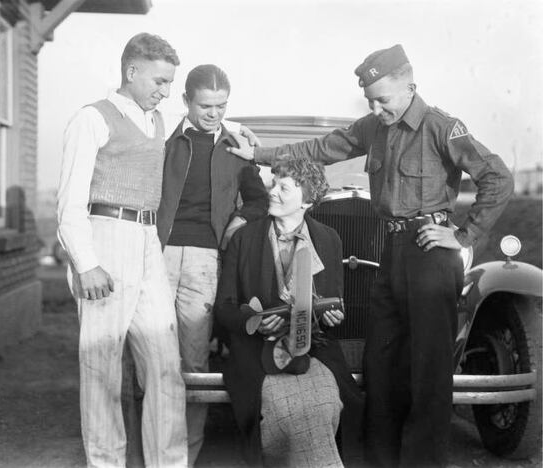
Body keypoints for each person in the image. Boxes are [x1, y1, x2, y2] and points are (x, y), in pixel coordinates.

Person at [228, 44, 514, 467]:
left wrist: (464, 235)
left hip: (431, 252)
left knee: (428, 371)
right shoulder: (372, 127)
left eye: (382, 99)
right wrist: (262, 156)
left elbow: (498, 177)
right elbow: (322, 149)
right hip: (391, 251)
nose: (376, 108)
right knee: (381, 365)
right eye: (369, 101)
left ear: (410, 87)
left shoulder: (441, 127)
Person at [57, 33, 187, 468]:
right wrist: (86, 263)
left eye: (170, 83)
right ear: (131, 72)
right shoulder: (92, 118)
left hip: (147, 242)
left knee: (166, 366)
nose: (165, 91)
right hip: (104, 238)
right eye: (159, 81)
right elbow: (70, 203)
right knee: (102, 371)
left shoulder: (159, 121)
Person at [214, 154, 364, 467]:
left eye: (285, 188)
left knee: (329, 403)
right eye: (274, 184)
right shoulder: (243, 238)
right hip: (255, 349)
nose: (272, 192)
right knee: (282, 409)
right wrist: (254, 322)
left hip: (313, 349)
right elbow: (224, 308)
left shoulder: (328, 239)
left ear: (307, 200)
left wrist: (332, 314)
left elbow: (334, 299)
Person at [155, 64, 268, 465]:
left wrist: (238, 220)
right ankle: (155, 449)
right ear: (186, 101)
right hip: (159, 255)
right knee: (152, 355)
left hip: (205, 261)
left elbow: (258, 199)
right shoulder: (164, 138)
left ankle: (184, 455)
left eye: (222, 106)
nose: (214, 114)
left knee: (194, 358)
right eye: (206, 105)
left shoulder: (235, 147)